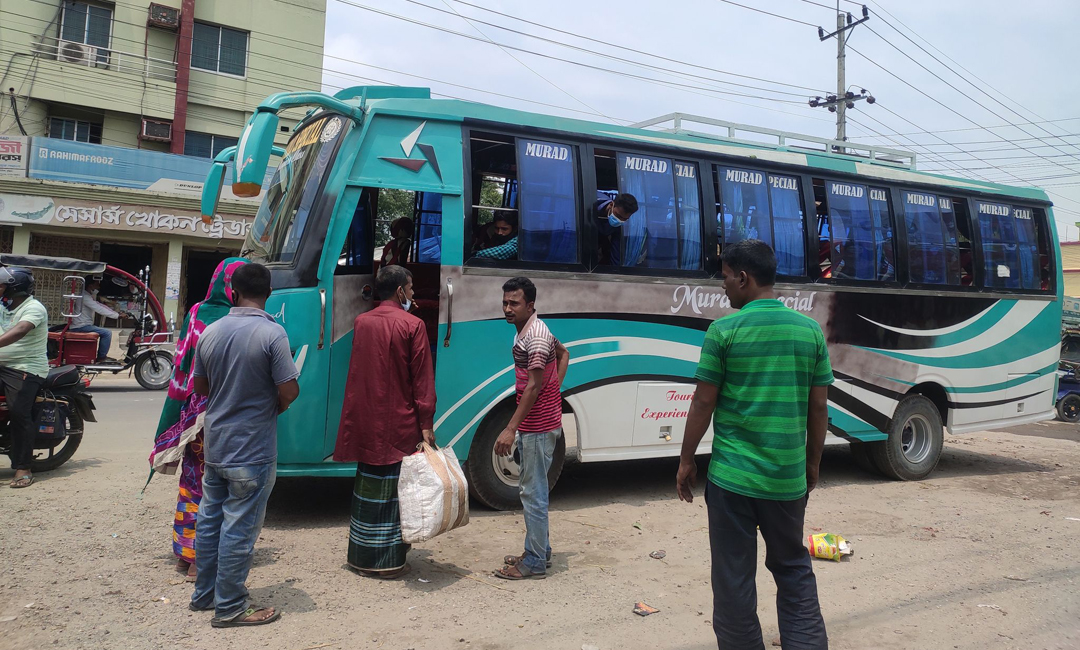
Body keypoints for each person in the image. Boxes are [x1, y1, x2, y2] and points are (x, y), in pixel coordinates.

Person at [676, 239, 832, 649]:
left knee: (733, 579)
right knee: (794, 569)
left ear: (743, 278)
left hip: (732, 482)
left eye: (725, 277)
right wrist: (811, 465)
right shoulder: (810, 331)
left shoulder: (724, 331)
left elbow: (703, 401)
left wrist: (686, 460)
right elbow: (819, 409)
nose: (723, 286)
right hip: (786, 480)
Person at [189, 263, 299, 628]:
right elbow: (289, 389)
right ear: (269, 293)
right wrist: (276, 405)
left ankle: (204, 595)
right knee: (239, 527)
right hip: (252, 448)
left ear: (232, 292)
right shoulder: (273, 334)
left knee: (210, 519)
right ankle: (231, 607)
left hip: (217, 443)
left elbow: (201, 388)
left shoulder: (212, 331)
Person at [148, 258, 250, 580]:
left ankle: (184, 554)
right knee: (221, 486)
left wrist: (174, 415)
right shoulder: (240, 319)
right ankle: (201, 561)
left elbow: (181, 364)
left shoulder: (195, 312)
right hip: (225, 411)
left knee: (194, 480)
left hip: (193, 412)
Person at [334, 265, 436, 579]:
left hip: (366, 417)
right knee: (396, 491)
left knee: (368, 486)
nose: (414, 294)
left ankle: (362, 557)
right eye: (412, 288)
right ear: (401, 291)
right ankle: (390, 562)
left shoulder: (362, 322)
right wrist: (426, 423)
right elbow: (421, 380)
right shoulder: (413, 325)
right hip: (400, 420)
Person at [493, 277, 570, 580]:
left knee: (533, 493)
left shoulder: (535, 337)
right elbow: (564, 355)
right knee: (533, 489)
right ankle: (540, 549)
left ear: (530, 305)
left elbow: (533, 387)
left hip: (537, 427)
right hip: (540, 422)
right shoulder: (534, 330)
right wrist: (555, 392)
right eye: (505, 302)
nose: (507, 308)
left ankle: (536, 561)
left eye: (514, 303)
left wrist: (510, 428)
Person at [0, 267, 48, 489]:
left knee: (19, 411)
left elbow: (20, 330)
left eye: (2, 286)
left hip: (25, 368)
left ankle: (23, 467)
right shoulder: (4, 306)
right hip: (3, 365)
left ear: (14, 288)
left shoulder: (33, 308)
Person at [69, 277, 122, 363]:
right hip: (81, 326)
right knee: (107, 333)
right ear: (90, 286)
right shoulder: (85, 297)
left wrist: (117, 313)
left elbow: (100, 305)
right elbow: (98, 308)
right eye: (96, 284)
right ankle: (101, 357)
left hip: (83, 325)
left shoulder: (87, 296)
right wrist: (117, 316)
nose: (99, 287)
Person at [595, 192, 642, 266]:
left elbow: (616, 250)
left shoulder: (619, 224)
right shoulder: (591, 201)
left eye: (624, 219)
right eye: (618, 215)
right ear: (611, 205)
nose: (619, 220)